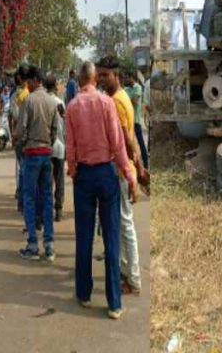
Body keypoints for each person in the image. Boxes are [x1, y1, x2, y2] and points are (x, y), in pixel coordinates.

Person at [66, 61, 137, 320]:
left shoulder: (72, 107)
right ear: (95, 79)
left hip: (84, 175)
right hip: (107, 173)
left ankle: (84, 294)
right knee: (111, 237)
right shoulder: (107, 104)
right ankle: (114, 304)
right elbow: (118, 146)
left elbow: (70, 148)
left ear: (81, 79)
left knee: (83, 237)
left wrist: (74, 172)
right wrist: (130, 176)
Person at [96, 55, 149, 297]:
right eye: (100, 75)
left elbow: (125, 141)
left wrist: (133, 170)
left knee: (125, 225)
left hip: (119, 170)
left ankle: (134, 279)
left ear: (116, 75)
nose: (101, 79)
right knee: (123, 223)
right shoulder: (122, 97)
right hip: (124, 167)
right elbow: (132, 137)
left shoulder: (116, 101)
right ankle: (128, 274)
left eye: (105, 75)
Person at [17, 66, 58, 262]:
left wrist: (23, 143)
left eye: (28, 81)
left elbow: (20, 130)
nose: (26, 84)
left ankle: (32, 244)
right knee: (48, 198)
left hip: (32, 153)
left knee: (29, 198)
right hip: (47, 153)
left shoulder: (29, 101)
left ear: (34, 80)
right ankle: (49, 246)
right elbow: (55, 130)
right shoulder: (51, 101)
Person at [45, 74, 67, 222]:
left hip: (45, 147)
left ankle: (47, 208)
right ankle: (58, 209)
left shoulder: (44, 102)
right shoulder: (60, 103)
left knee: (46, 180)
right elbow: (64, 127)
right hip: (59, 146)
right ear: (56, 87)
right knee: (59, 180)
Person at [10, 66, 31, 212]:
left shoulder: (17, 95)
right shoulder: (29, 94)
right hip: (30, 137)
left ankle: (22, 200)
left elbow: (14, 116)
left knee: (22, 168)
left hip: (20, 136)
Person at [123, 69, 149, 171]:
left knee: (141, 143)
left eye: (126, 77)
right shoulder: (126, 89)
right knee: (128, 145)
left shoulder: (138, 88)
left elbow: (134, 101)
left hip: (136, 121)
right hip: (127, 122)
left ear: (131, 78)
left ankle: (146, 164)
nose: (125, 79)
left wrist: (124, 100)